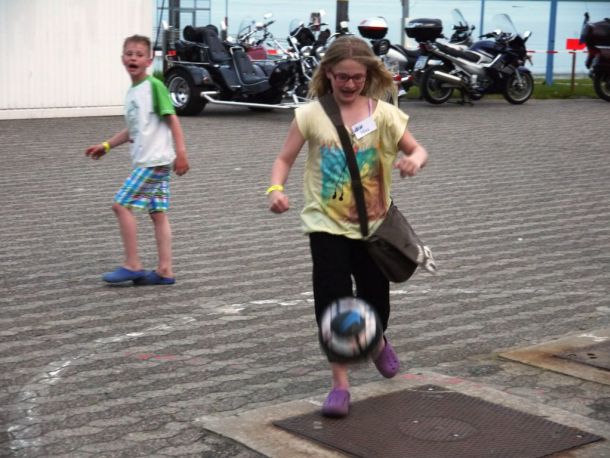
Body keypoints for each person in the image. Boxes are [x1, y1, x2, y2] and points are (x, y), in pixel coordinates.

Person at [267, 36, 429, 418]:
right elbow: (284, 159)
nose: (350, 84)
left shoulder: (384, 115)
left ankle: (377, 341)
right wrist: (276, 189)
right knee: (332, 305)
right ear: (328, 73)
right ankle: (339, 384)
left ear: (368, 76)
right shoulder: (310, 115)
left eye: (357, 77)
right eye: (342, 77)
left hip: (374, 227)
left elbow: (417, 149)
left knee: (375, 302)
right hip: (325, 225)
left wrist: (414, 161)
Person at [86, 35, 189, 285]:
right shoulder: (133, 91)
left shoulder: (154, 86)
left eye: (139, 54)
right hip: (151, 160)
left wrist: (182, 153)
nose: (133, 58)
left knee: (121, 205)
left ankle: (132, 264)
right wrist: (107, 145)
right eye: (129, 54)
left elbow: (172, 119)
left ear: (149, 60)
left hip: (154, 161)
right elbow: (134, 129)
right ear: (122, 58)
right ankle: (165, 271)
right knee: (158, 213)